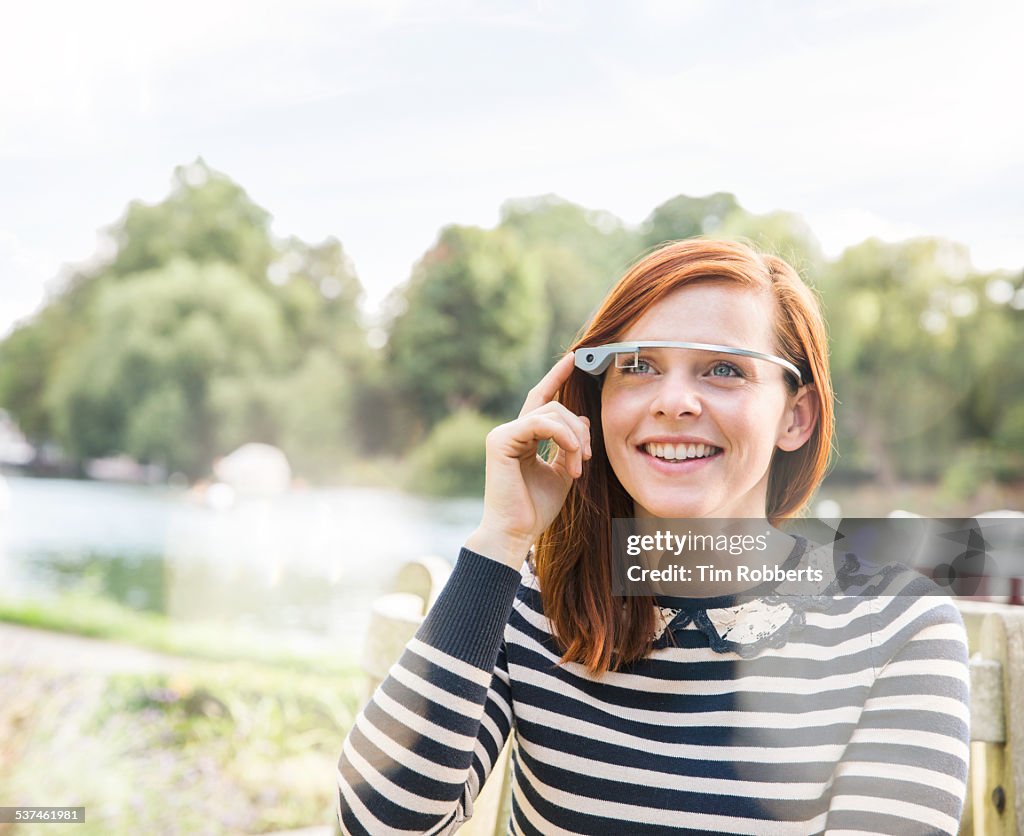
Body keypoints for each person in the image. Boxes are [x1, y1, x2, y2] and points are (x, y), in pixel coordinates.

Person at [336, 238, 970, 835]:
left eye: (724, 369)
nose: (673, 402)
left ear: (795, 416)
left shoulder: (899, 625)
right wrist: (500, 539)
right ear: (593, 399)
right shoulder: (528, 596)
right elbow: (380, 824)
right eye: (637, 365)